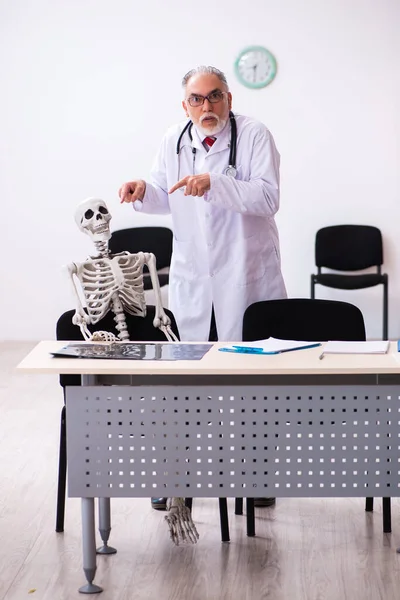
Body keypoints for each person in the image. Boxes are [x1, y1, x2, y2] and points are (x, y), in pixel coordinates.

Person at [119, 65, 287, 509]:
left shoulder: (254, 135)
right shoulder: (174, 138)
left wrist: (216, 184)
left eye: (215, 97)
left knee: (253, 382)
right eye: (198, 99)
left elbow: (268, 197)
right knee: (185, 382)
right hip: (196, 278)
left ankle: (256, 477)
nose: (207, 107)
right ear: (185, 104)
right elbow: (162, 190)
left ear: (229, 99)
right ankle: (178, 479)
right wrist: (141, 192)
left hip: (246, 274)